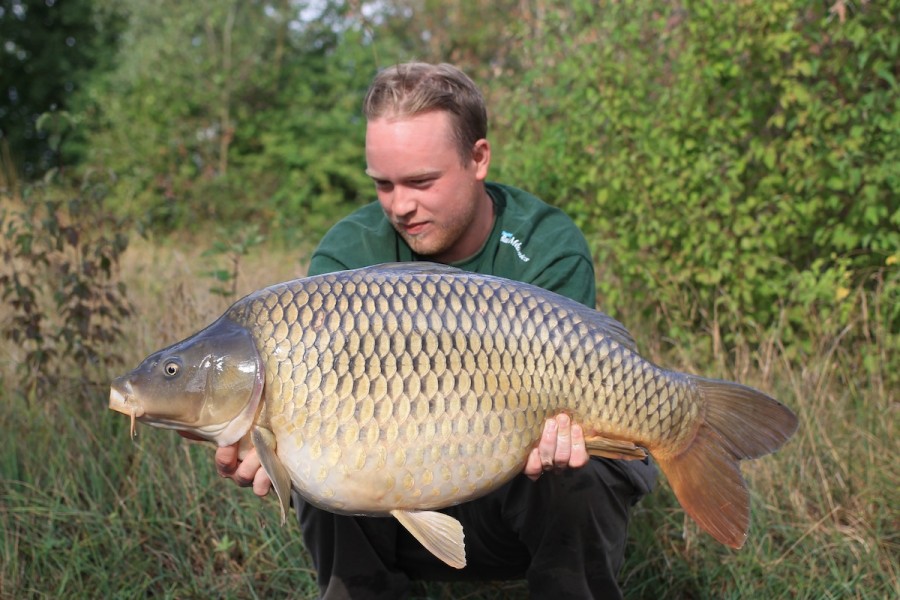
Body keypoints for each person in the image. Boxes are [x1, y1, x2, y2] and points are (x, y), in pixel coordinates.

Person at [213, 62, 656, 599]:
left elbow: (582, 387)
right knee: (310, 460)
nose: (400, 205)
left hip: (515, 499)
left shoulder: (546, 246)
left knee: (587, 469)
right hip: (388, 510)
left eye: (421, 181)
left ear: (478, 159)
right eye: (383, 184)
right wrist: (273, 448)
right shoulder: (346, 255)